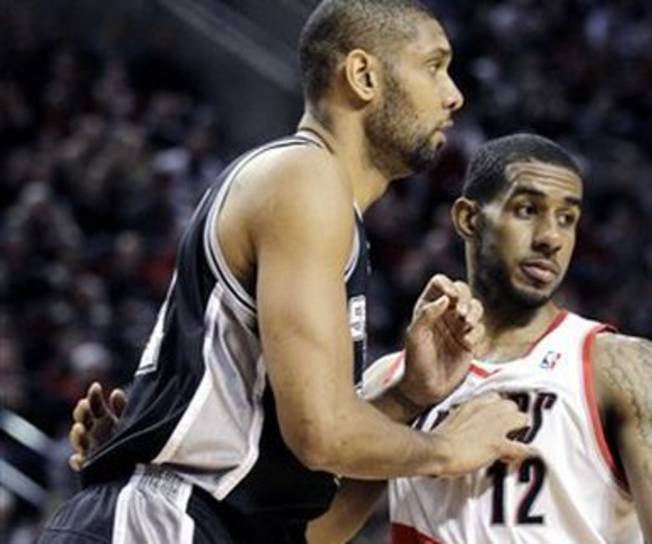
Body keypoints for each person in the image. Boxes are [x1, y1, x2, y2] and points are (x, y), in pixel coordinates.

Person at [70, 135, 652, 544]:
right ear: (469, 219)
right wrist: (147, 462)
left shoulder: (617, 365)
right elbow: (309, 534)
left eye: (568, 218)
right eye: (528, 209)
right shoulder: (396, 382)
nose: (550, 236)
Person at [39, 2, 533, 543]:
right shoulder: (304, 177)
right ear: (363, 76)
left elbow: (309, 530)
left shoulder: (322, 206)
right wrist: (448, 449)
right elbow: (320, 433)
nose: (453, 94)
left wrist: (409, 397)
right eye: (434, 66)